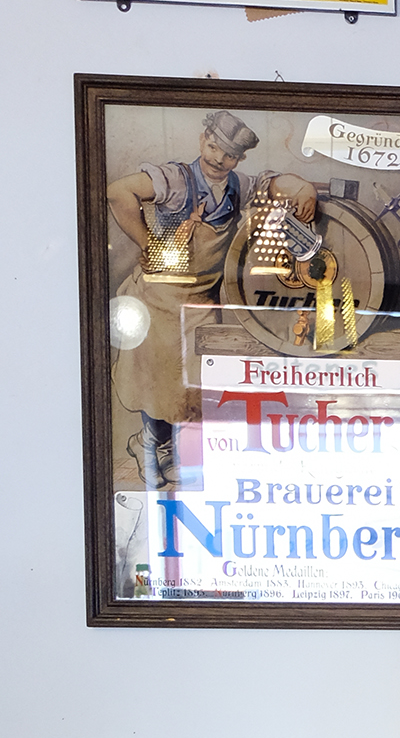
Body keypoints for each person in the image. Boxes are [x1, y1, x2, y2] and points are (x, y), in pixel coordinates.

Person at [106, 108, 319, 487]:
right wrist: (147, 243)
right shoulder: (175, 179)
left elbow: (276, 184)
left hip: (201, 302)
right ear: (203, 139)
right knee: (156, 381)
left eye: (230, 154)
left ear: (241, 158)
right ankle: (148, 445)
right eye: (214, 147)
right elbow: (118, 192)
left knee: (192, 387)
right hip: (158, 299)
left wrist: (304, 190)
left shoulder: (239, 186)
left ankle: (170, 450)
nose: (219, 159)